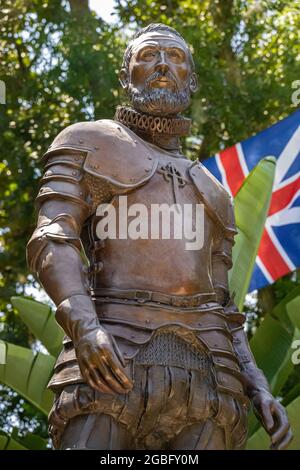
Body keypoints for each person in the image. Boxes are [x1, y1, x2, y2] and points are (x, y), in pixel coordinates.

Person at [27, 23, 292, 450]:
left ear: (193, 80)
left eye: (177, 58)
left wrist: (256, 381)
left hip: (211, 375)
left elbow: (223, 305)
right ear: (125, 73)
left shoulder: (213, 190)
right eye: (149, 55)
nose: (164, 65)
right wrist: (84, 326)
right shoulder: (87, 142)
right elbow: (52, 238)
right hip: (110, 353)